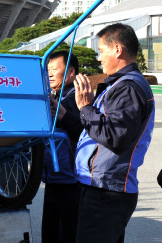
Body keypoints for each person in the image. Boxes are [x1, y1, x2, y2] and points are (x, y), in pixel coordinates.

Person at [72, 23, 154, 243]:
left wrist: (85, 108)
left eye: (101, 51)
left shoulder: (128, 87)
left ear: (117, 50)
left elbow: (115, 136)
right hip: (104, 187)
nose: (99, 58)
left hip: (107, 190)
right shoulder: (121, 84)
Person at [42, 51, 82, 243]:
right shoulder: (53, 96)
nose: (49, 73)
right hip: (52, 178)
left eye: (54, 69)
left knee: (67, 234)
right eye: (47, 69)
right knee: (49, 234)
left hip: (71, 181)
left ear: (71, 72)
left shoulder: (77, 98)